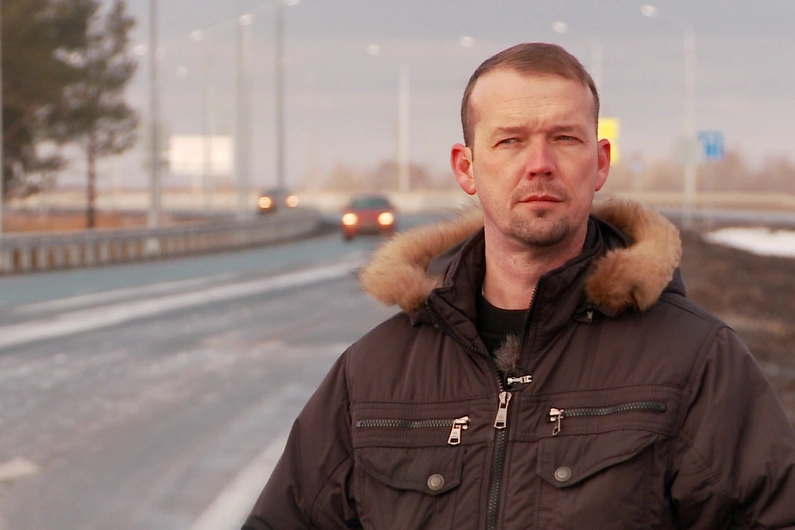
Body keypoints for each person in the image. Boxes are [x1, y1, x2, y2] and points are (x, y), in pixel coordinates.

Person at [242, 42, 795, 530]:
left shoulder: (694, 362)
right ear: (466, 168)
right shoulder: (373, 376)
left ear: (600, 162)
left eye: (565, 138)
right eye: (510, 141)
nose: (540, 164)